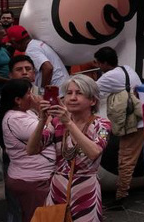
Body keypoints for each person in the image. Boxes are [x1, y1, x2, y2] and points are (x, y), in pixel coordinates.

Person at [27, 74, 111, 222]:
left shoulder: (103, 125)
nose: (72, 98)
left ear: (92, 100)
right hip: (58, 187)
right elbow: (32, 149)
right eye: (69, 93)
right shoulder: (56, 123)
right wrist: (42, 120)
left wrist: (69, 123)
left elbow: (94, 152)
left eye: (79, 93)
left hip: (86, 189)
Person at [92, 46, 143, 206]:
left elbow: (89, 92)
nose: (98, 66)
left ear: (105, 63)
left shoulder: (109, 77)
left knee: (125, 158)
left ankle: (121, 196)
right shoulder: (127, 69)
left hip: (131, 123)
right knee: (141, 157)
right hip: (141, 119)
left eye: (98, 63)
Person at [0, 79, 55, 222]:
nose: (33, 96)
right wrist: (46, 115)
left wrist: (39, 111)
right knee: (40, 218)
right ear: (18, 100)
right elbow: (47, 132)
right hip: (33, 179)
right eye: (29, 93)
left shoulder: (26, 113)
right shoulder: (16, 118)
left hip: (35, 177)